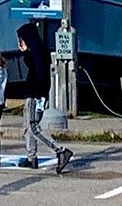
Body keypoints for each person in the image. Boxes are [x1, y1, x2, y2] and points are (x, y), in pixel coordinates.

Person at [16, 23, 73, 174]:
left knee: (34, 127)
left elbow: (39, 73)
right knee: (28, 128)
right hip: (35, 94)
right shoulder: (38, 51)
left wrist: (39, 95)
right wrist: (25, 52)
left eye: (22, 39)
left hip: (35, 94)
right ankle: (31, 158)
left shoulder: (38, 53)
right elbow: (33, 66)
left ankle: (60, 150)